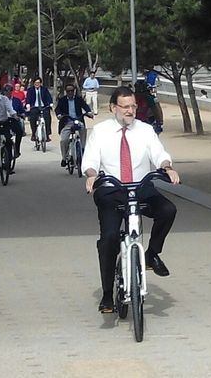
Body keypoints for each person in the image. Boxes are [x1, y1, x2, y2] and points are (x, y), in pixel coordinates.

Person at [82, 86, 180, 313]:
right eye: (125, 107)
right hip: (111, 190)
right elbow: (90, 160)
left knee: (168, 210)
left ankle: (151, 254)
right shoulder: (101, 131)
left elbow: (159, 153)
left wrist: (167, 168)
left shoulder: (145, 130)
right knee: (109, 239)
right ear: (113, 107)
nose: (130, 111)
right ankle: (107, 295)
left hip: (141, 188)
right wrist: (92, 175)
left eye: (133, 106)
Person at [55, 83, 93, 167]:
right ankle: (65, 157)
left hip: (77, 120)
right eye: (68, 91)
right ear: (66, 92)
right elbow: (57, 109)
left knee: (83, 128)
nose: (70, 93)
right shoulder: (62, 100)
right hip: (67, 122)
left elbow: (85, 106)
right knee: (64, 140)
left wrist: (89, 112)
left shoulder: (78, 99)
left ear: (74, 91)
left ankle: (82, 148)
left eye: (72, 91)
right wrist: (59, 115)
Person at [26, 77, 54, 142]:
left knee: (47, 117)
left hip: (43, 106)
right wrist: (28, 104)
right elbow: (28, 98)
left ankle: (47, 135)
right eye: (35, 83)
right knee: (32, 118)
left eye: (38, 83)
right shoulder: (30, 90)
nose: (37, 84)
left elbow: (48, 97)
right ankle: (33, 134)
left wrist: (50, 103)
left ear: (40, 83)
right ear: (33, 83)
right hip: (34, 107)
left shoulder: (44, 89)